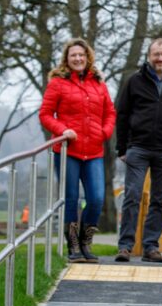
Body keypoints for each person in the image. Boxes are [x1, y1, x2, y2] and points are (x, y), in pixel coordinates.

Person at [39, 38, 116, 263]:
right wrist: (63, 130)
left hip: (93, 151)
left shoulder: (99, 83)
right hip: (67, 151)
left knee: (96, 198)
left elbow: (110, 112)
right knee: (71, 199)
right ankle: (73, 246)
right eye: (73, 55)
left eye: (81, 55)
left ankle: (86, 242)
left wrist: (105, 131)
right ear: (67, 58)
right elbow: (45, 114)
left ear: (87, 57)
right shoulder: (58, 83)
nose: (78, 58)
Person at [114, 38, 162, 263]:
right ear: (149, 56)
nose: (160, 58)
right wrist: (121, 147)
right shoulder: (135, 81)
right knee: (132, 196)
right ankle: (125, 246)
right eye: (156, 54)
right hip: (137, 147)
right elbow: (123, 114)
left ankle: (151, 246)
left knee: (159, 200)